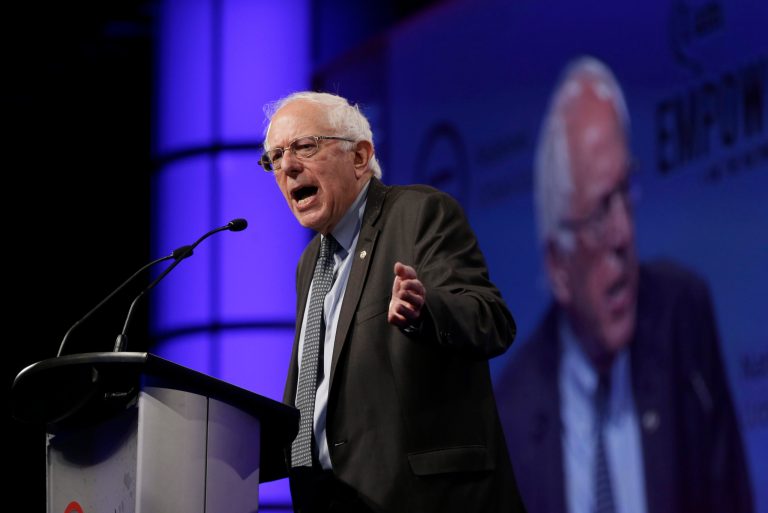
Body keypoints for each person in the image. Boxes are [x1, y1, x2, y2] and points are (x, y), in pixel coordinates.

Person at [496, 56, 753, 513]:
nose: (622, 234)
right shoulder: (512, 416)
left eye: (624, 194)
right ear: (558, 266)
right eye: (598, 214)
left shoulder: (683, 318)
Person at [259, 91, 526, 513]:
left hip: (425, 500)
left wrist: (426, 309)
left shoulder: (419, 214)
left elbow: (492, 321)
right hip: (332, 501)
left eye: (305, 146)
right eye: (275, 156)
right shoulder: (310, 263)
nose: (288, 166)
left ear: (360, 157)